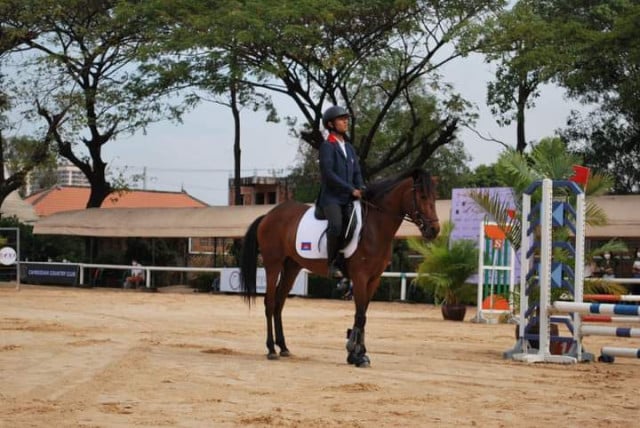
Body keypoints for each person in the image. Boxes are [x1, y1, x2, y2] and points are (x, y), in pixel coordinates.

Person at [317, 105, 365, 279]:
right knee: (336, 225)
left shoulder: (350, 148)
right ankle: (331, 263)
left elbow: (357, 172)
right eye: (341, 119)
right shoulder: (327, 146)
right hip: (331, 198)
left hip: (349, 197)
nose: (346, 121)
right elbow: (328, 174)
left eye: (346, 119)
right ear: (330, 124)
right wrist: (351, 189)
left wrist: (361, 187)